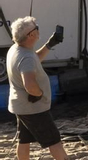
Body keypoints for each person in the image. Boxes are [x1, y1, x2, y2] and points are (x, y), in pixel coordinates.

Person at [5, 16, 67, 160]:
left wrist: (50, 44)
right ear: (31, 35)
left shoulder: (17, 49)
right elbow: (30, 85)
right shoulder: (26, 57)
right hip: (33, 108)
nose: (39, 29)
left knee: (24, 140)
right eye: (36, 27)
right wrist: (38, 94)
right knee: (54, 141)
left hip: (20, 106)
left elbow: (34, 59)